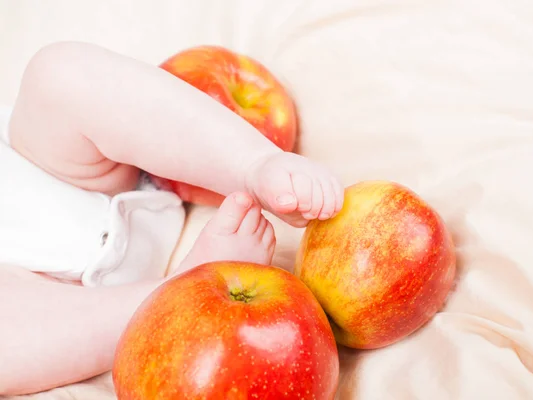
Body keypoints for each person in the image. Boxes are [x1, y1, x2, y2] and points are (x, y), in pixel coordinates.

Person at [0, 41, 344, 395]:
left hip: (53, 171)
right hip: (52, 300)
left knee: (57, 75)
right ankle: (178, 293)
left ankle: (252, 164)